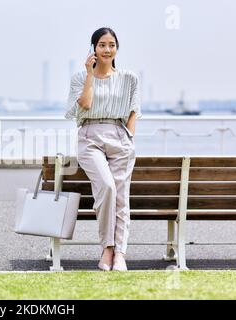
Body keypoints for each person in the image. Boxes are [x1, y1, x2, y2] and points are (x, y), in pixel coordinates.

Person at [65, 27, 142, 271]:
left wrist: (128, 137)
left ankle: (119, 252)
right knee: (107, 187)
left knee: (121, 196)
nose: (107, 49)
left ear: (116, 48)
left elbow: (133, 112)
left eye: (111, 44)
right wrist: (90, 73)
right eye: (102, 45)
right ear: (94, 49)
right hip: (90, 137)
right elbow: (85, 105)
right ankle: (107, 247)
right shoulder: (80, 78)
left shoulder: (129, 78)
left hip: (120, 137)